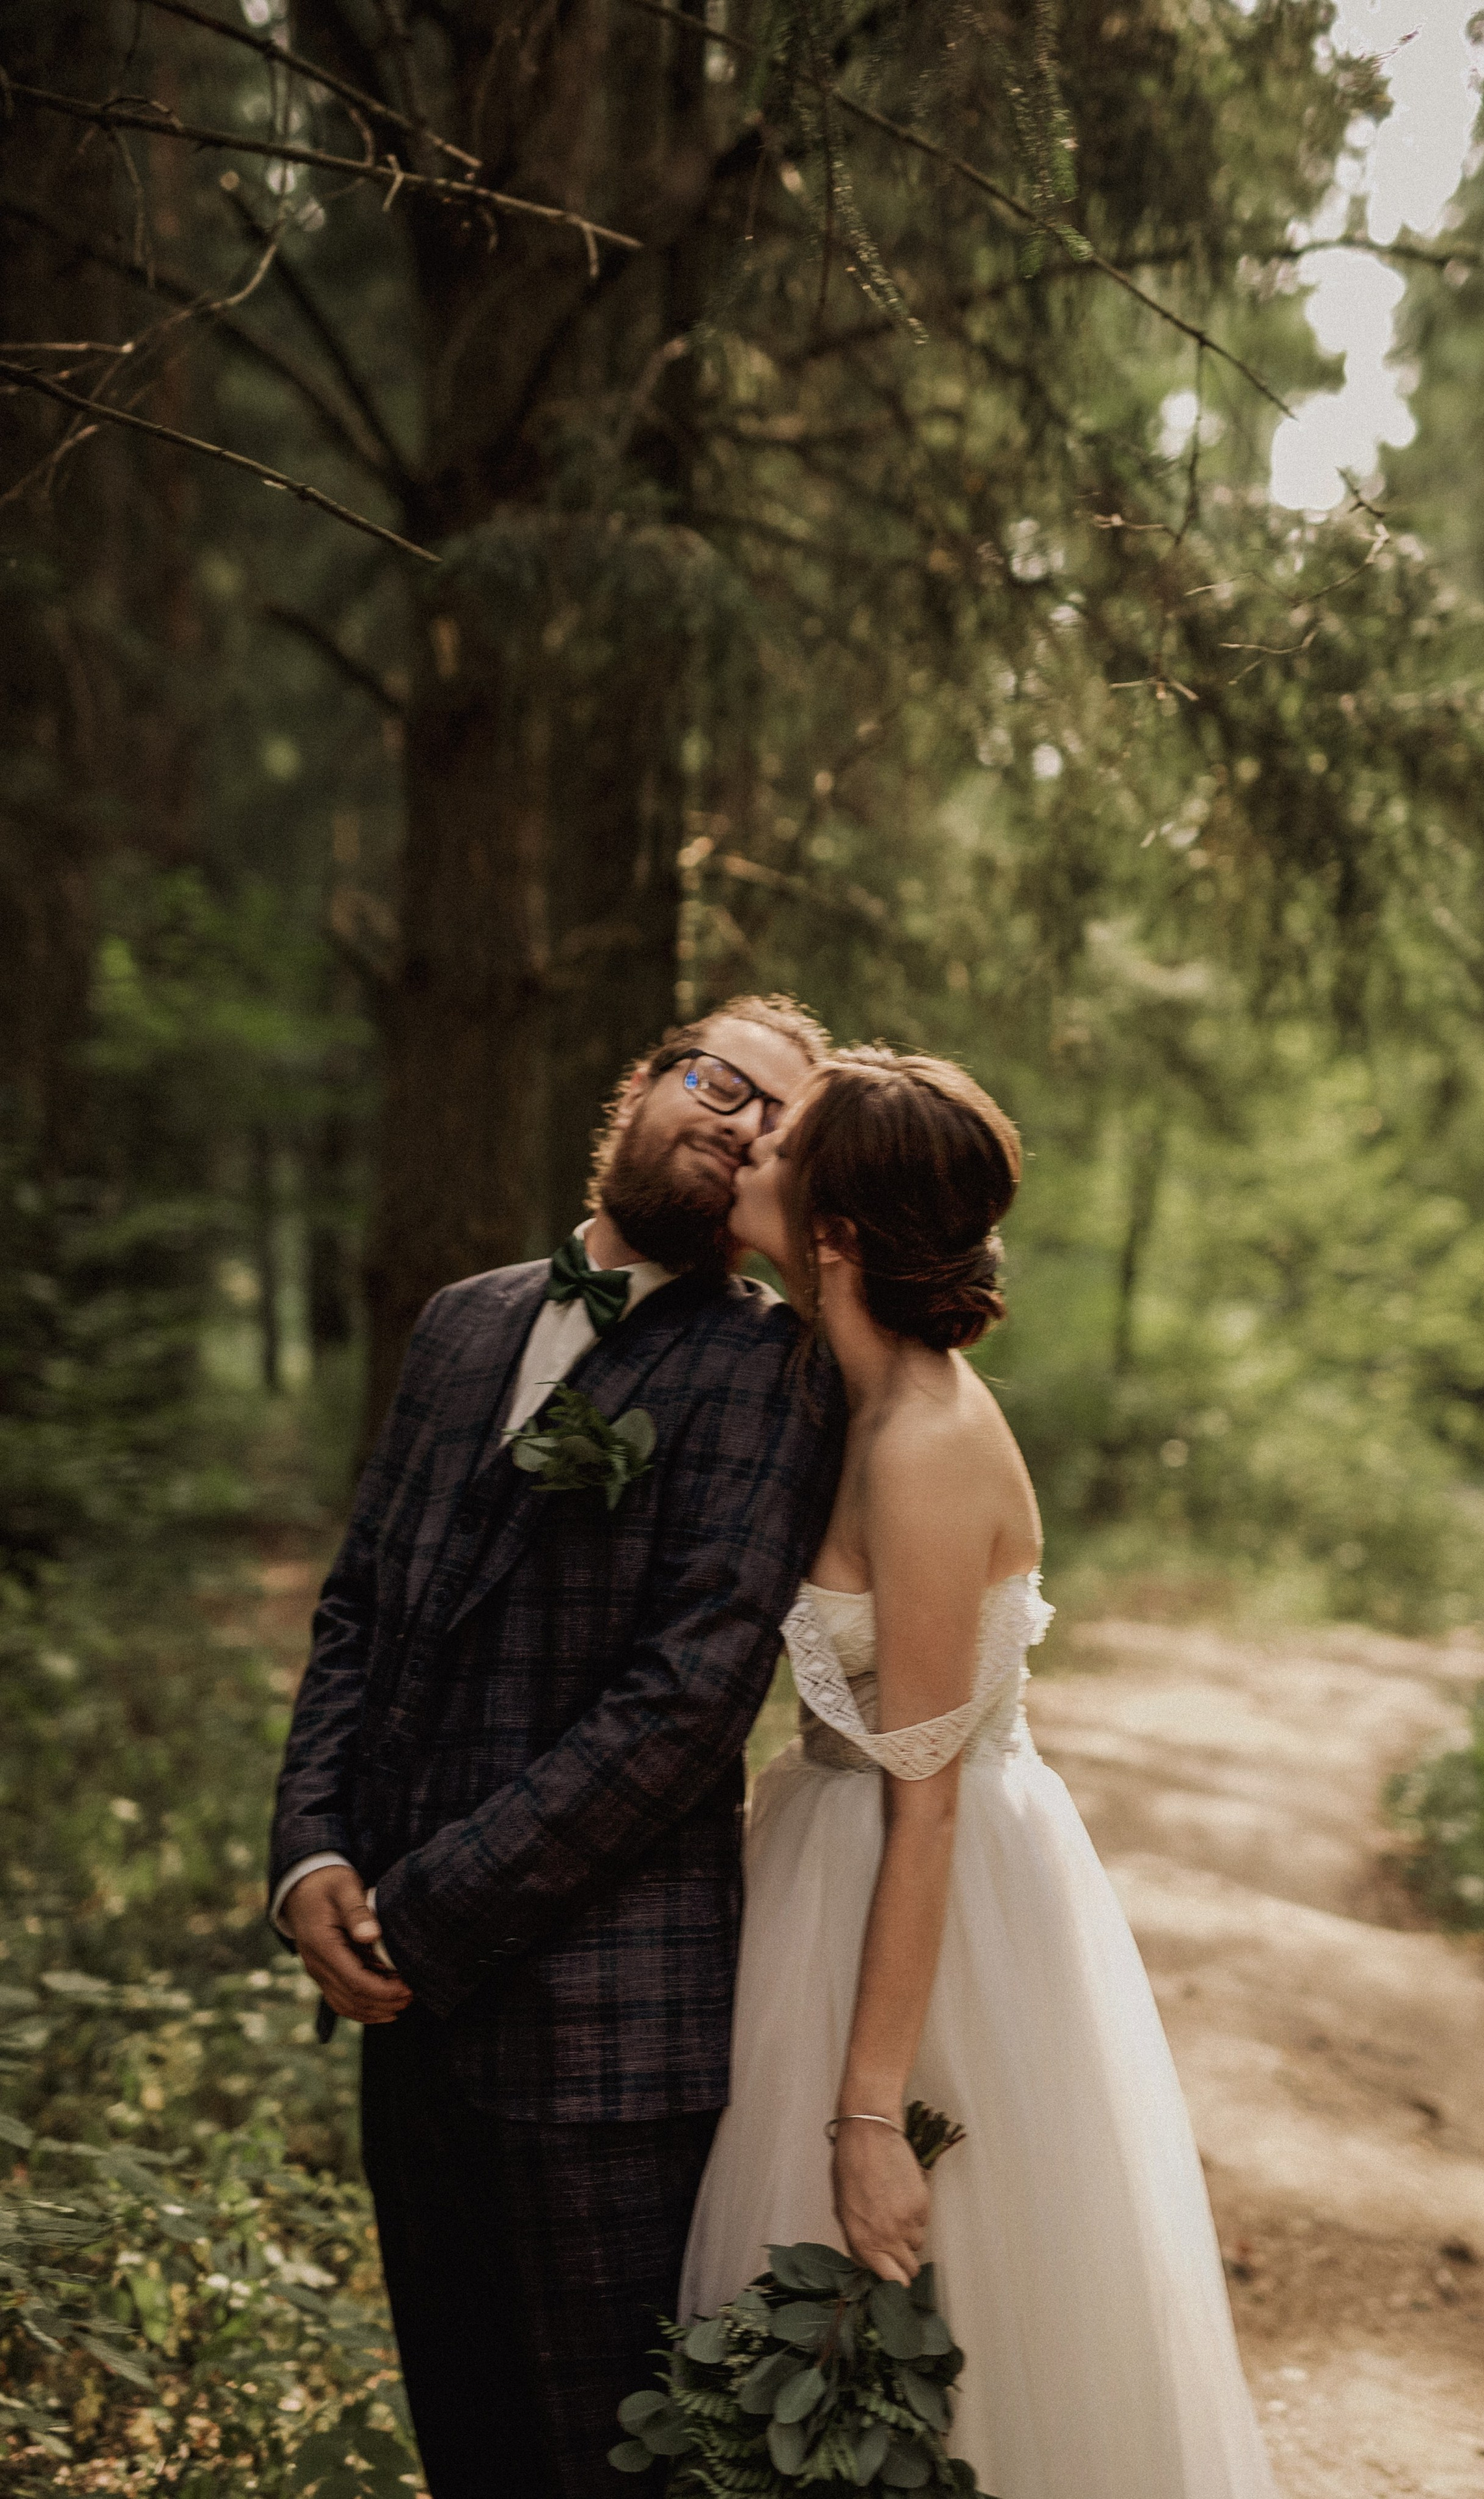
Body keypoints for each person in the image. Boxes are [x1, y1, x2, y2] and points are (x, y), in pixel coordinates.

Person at [266, 996, 846, 2499]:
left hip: (600, 2038)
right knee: (464, 2439)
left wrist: (421, 1910)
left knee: (607, 2464)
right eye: (718, 1080)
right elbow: (359, 1606)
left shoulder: (774, 1372)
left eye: (776, 1117)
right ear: (641, 1088)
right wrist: (313, 1855)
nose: (735, 1119)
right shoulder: (460, 1317)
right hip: (404, 2018)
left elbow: (681, 1708)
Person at [681, 1047, 1278, 2499]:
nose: (747, 1144)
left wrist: (869, 2112)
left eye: (783, 1139)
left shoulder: (924, 1444)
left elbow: (926, 1797)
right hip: (829, 1859)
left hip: (924, 1903)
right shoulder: (842, 1392)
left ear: (832, 1230)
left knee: (939, 2330)